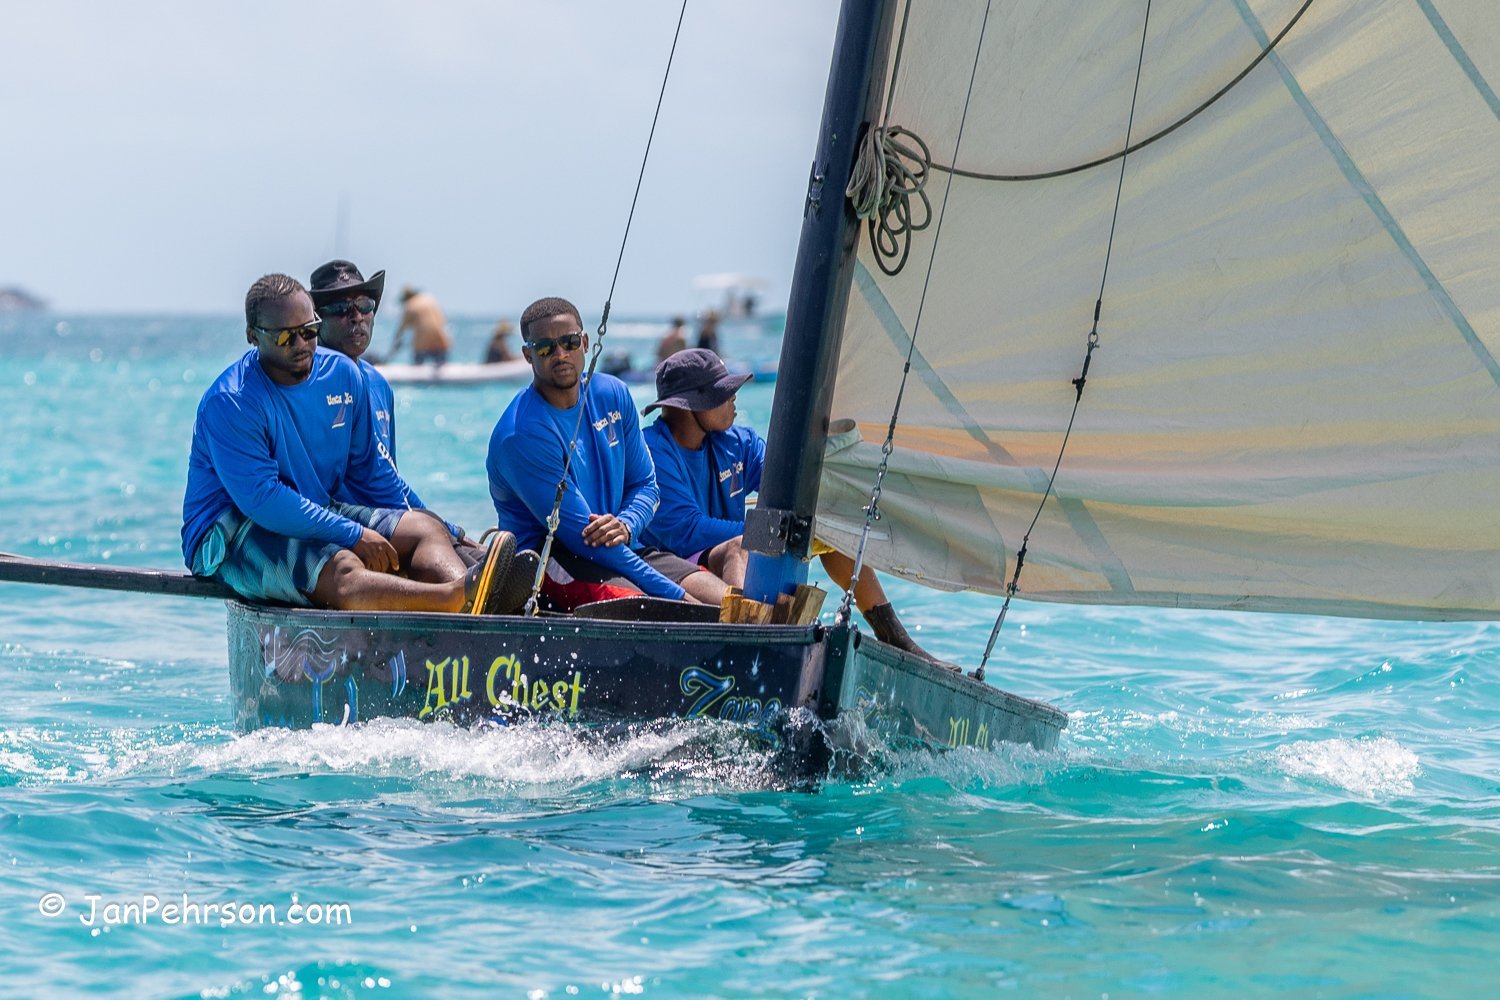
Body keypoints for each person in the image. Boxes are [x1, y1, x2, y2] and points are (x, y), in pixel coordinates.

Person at [181, 273, 526, 615]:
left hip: (310, 506)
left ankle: (481, 605)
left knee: (423, 529)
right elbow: (263, 500)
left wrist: (450, 532)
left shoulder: (344, 374)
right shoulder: (232, 401)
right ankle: (454, 597)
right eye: (286, 337)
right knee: (343, 563)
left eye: (309, 331)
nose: (302, 344)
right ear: (252, 336)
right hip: (230, 530)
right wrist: (354, 534)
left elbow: (372, 474)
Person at [640, 348, 940, 661]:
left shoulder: (739, 442)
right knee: (743, 544)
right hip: (679, 558)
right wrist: (770, 529)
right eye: (724, 392)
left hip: (729, 553)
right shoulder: (654, 451)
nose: (734, 398)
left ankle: (894, 635)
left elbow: (788, 483)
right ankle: (752, 650)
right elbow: (686, 530)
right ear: (690, 406)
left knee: (824, 528)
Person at [486, 296, 727, 610]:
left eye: (569, 342)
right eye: (545, 347)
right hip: (557, 560)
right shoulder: (521, 435)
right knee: (665, 607)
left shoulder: (612, 394)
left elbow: (646, 486)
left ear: (585, 342)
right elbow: (584, 538)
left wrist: (627, 525)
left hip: (624, 545)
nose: (560, 354)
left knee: (726, 600)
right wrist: (683, 599)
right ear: (528, 355)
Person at [308, 259, 468, 549]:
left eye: (365, 306)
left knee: (465, 553)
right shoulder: (311, 381)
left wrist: (451, 531)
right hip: (339, 527)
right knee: (441, 546)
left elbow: (388, 474)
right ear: (316, 321)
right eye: (341, 309)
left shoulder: (379, 384)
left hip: (384, 519)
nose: (357, 317)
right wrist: (438, 531)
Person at [391, 285, 453, 365]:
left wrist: (394, 344)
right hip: (442, 340)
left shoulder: (410, 305)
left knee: (418, 365)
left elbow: (401, 330)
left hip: (423, 345)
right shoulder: (430, 299)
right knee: (442, 364)